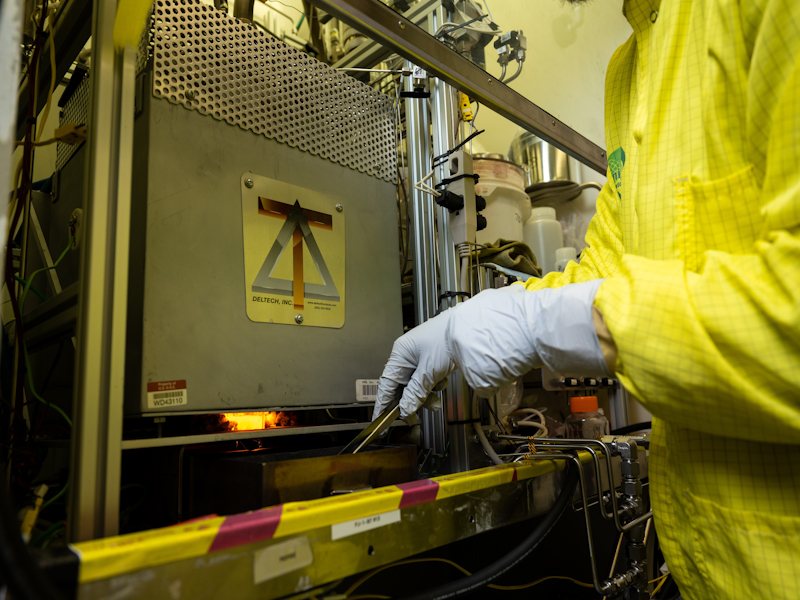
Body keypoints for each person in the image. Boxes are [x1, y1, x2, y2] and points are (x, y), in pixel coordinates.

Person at [373, 0, 800, 598]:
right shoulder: (630, 63)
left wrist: (541, 322)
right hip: (709, 560)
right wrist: (480, 315)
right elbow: (607, 266)